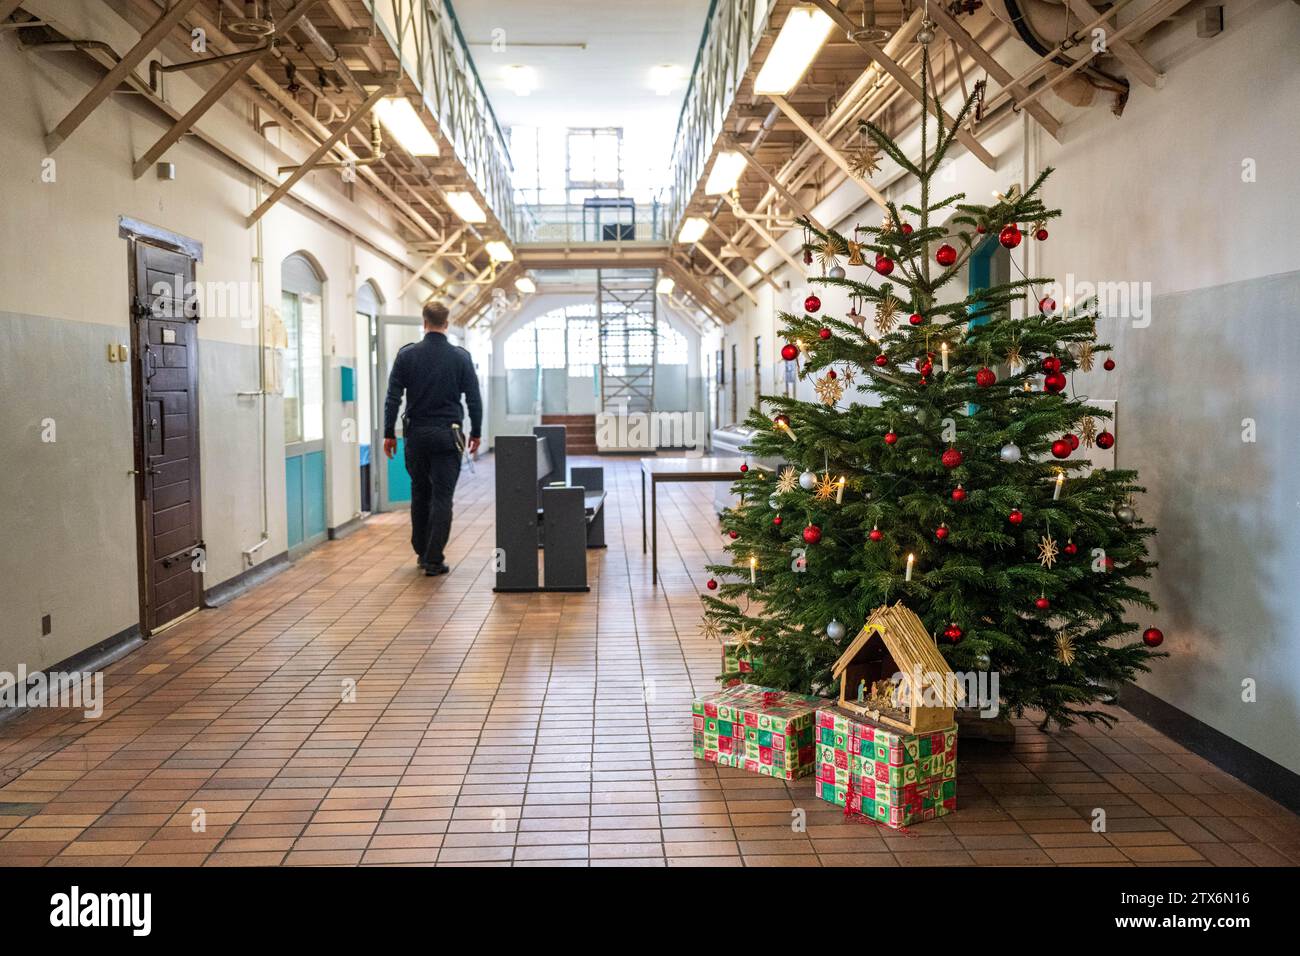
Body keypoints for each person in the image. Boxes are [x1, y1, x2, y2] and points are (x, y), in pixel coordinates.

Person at [382, 302, 482, 575]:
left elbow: (393, 398)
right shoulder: (460, 358)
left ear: (424, 323)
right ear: (446, 324)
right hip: (448, 437)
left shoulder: (407, 356)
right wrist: (477, 432)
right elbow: (473, 399)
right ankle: (433, 558)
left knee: (419, 492)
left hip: (416, 436)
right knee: (442, 497)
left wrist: (389, 433)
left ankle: (420, 549)